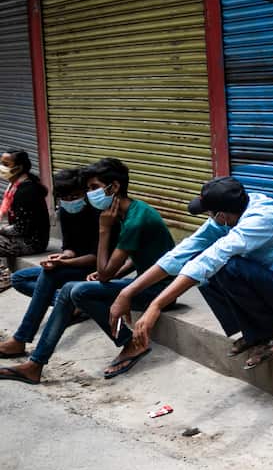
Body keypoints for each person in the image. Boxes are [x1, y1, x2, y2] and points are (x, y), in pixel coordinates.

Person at [104, 176, 273, 372]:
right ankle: (256, 333)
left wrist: (156, 305)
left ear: (221, 215)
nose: (208, 218)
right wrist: (128, 291)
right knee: (206, 272)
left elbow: (210, 259)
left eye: (209, 213)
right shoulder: (239, 208)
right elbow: (185, 251)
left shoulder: (260, 220)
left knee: (228, 267)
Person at [0, 157, 174, 384]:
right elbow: (143, 256)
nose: (90, 194)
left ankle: (130, 343)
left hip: (160, 291)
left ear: (114, 187)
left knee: (78, 291)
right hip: (147, 281)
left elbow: (104, 273)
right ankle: (35, 364)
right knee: (71, 290)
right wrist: (116, 274)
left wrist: (104, 230)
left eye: (94, 188)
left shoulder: (131, 219)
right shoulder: (128, 210)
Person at [0, 167, 111, 359]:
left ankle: (21, 339)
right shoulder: (66, 213)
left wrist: (65, 264)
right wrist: (63, 257)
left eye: (75, 196)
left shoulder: (99, 214)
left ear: (85, 192)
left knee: (51, 274)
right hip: (75, 265)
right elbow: (69, 246)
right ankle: (77, 305)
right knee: (19, 279)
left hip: (95, 269)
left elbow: (97, 257)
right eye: (65, 198)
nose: (70, 202)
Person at [0, 149, 50, 288]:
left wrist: (1, 229)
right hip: (26, 236)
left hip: (32, 242)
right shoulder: (15, 185)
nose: (2, 167)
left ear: (19, 167)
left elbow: (21, 228)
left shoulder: (26, 191)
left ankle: (3, 278)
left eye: (6, 164)